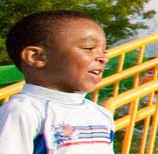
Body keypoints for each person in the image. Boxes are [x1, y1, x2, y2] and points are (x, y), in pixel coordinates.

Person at [0, 10, 116, 153]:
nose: (103, 58)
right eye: (89, 48)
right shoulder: (25, 111)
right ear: (37, 57)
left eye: (104, 51)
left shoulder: (101, 114)